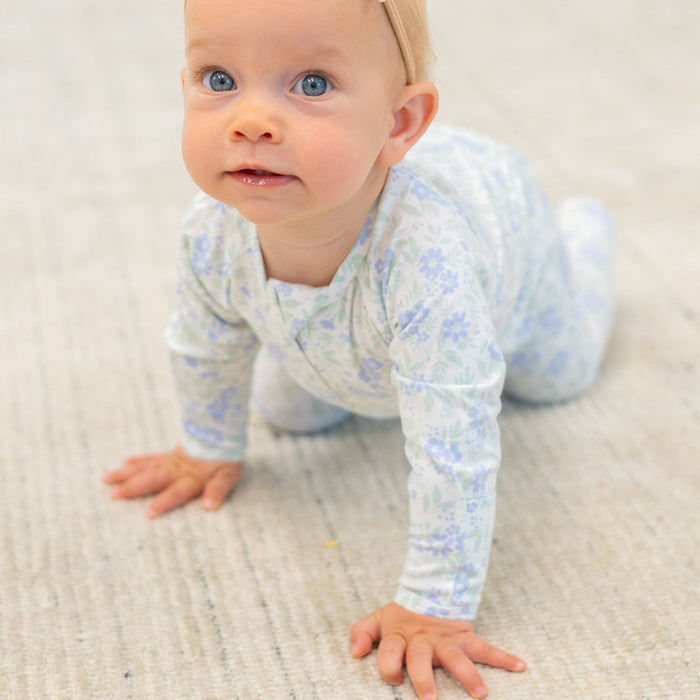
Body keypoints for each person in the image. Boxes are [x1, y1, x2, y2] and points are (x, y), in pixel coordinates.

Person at [103, 0, 615, 698]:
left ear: (398, 123)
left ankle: (585, 237)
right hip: (346, 332)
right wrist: (207, 444)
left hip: (510, 242)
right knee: (292, 412)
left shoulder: (427, 261)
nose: (249, 121)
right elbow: (205, 342)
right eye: (218, 79)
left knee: (559, 376)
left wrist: (436, 602)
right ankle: (337, 364)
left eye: (311, 85)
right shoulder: (211, 231)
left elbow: (454, 443)